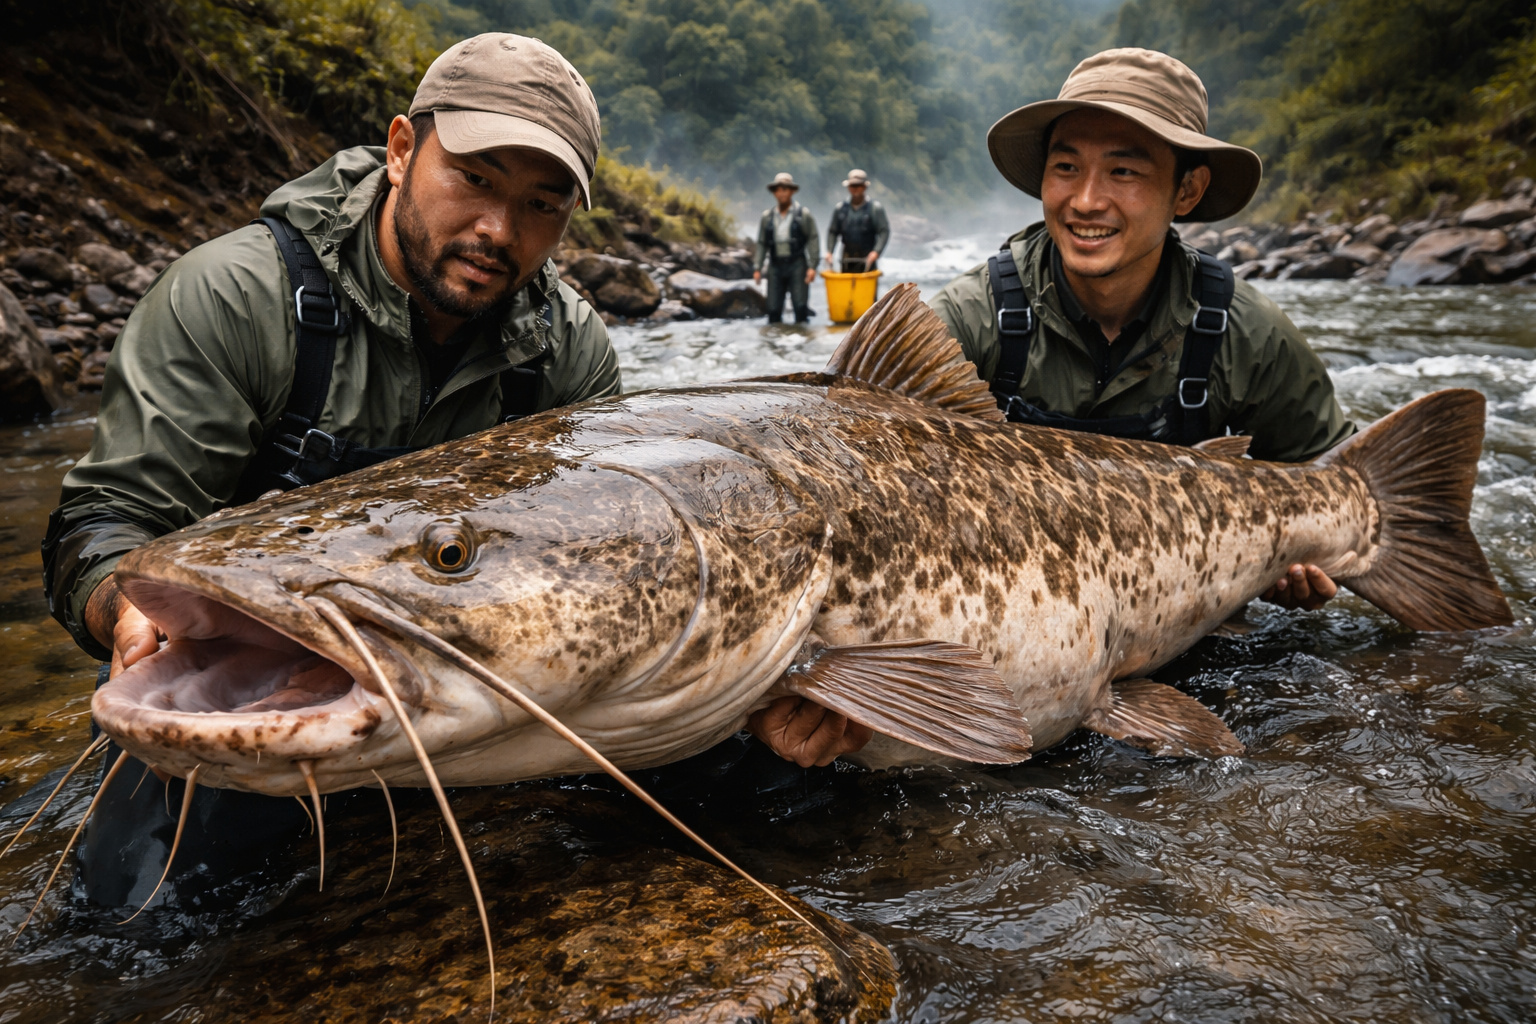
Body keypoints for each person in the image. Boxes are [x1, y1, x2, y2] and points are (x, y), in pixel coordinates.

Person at [41, 33, 619, 905]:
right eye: (476, 179)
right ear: (400, 151)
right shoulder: (234, 297)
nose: (500, 230)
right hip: (257, 673)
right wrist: (122, 606)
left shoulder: (571, 353)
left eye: (542, 204)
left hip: (460, 675)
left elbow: (604, 553)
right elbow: (106, 519)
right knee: (137, 914)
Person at [747, 48, 1353, 770]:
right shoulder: (972, 318)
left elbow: (1335, 472)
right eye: (1066, 168)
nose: (1086, 200)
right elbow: (840, 453)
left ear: (1186, 191)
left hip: (1188, 627)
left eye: (1123, 171)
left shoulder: (1247, 334)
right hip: (1027, 648)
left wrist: (1312, 559)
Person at [752, 172, 820, 323]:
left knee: (800, 307)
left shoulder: (803, 214)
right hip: (775, 266)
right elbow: (762, 243)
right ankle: (775, 342)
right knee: (773, 309)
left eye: (785, 189)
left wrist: (813, 266)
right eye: (778, 190)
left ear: (792, 191)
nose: (781, 193)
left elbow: (813, 238)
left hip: (798, 264)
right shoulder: (767, 216)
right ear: (774, 192)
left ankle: (801, 340)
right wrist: (757, 267)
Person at [825, 169, 890, 273]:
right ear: (848, 188)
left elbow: (884, 231)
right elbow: (833, 232)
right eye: (852, 186)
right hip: (846, 258)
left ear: (864, 187)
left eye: (858, 186)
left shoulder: (875, 208)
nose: (855, 189)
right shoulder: (840, 209)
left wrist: (876, 252)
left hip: (868, 258)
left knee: (867, 288)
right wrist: (829, 252)